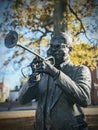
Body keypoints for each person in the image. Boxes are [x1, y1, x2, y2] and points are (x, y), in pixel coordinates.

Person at [18, 32, 92, 130]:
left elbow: (85, 99)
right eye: (51, 46)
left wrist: (55, 73)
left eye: (58, 46)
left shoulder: (80, 70)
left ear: (69, 49)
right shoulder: (43, 74)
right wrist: (33, 78)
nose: (52, 50)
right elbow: (22, 100)